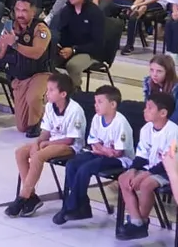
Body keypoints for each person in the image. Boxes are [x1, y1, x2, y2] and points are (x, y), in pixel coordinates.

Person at [5, 73, 85, 218]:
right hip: (51, 143)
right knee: (21, 152)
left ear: (63, 94)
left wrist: (46, 144)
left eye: (51, 90)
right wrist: (37, 142)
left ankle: (23, 197)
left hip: (70, 147)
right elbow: (45, 132)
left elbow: (70, 140)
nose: (47, 93)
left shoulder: (75, 110)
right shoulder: (49, 106)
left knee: (38, 156)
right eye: (47, 89)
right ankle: (32, 197)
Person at [53, 85, 133, 225]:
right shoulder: (97, 118)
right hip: (102, 154)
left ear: (113, 104)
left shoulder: (120, 122)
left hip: (121, 160)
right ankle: (82, 205)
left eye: (100, 102)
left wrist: (101, 149)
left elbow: (117, 152)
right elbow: (93, 142)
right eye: (95, 102)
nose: (96, 105)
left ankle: (70, 207)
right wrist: (103, 150)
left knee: (86, 169)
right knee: (72, 164)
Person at [116, 92, 178, 240]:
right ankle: (137, 221)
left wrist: (146, 174)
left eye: (150, 108)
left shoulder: (174, 132)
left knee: (146, 184)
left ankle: (141, 222)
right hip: (151, 167)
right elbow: (142, 155)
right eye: (145, 107)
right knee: (123, 179)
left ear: (163, 113)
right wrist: (133, 170)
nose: (145, 111)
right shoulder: (146, 129)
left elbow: (169, 163)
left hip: (168, 171)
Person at [0, 0, 53, 136]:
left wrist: (14, 44)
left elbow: (37, 53)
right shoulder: (9, 26)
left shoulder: (41, 28)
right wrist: (4, 42)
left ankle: (40, 122)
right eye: (17, 10)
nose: (20, 14)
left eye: (24, 11)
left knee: (33, 97)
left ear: (33, 12)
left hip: (40, 73)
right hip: (20, 76)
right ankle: (41, 116)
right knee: (22, 127)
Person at [53, 0, 105, 87]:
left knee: (73, 66)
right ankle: (63, 88)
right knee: (46, 61)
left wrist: (74, 50)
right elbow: (59, 32)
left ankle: (75, 92)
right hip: (67, 48)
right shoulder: (66, 11)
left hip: (89, 52)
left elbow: (97, 43)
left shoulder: (95, 13)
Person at [143, 54, 178, 124]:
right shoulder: (148, 82)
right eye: (152, 70)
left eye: (159, 71)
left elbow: (176, 114)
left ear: (168, 72)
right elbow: (147, 105)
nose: (154, 74)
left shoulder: (176, 88)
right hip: (155, 119)